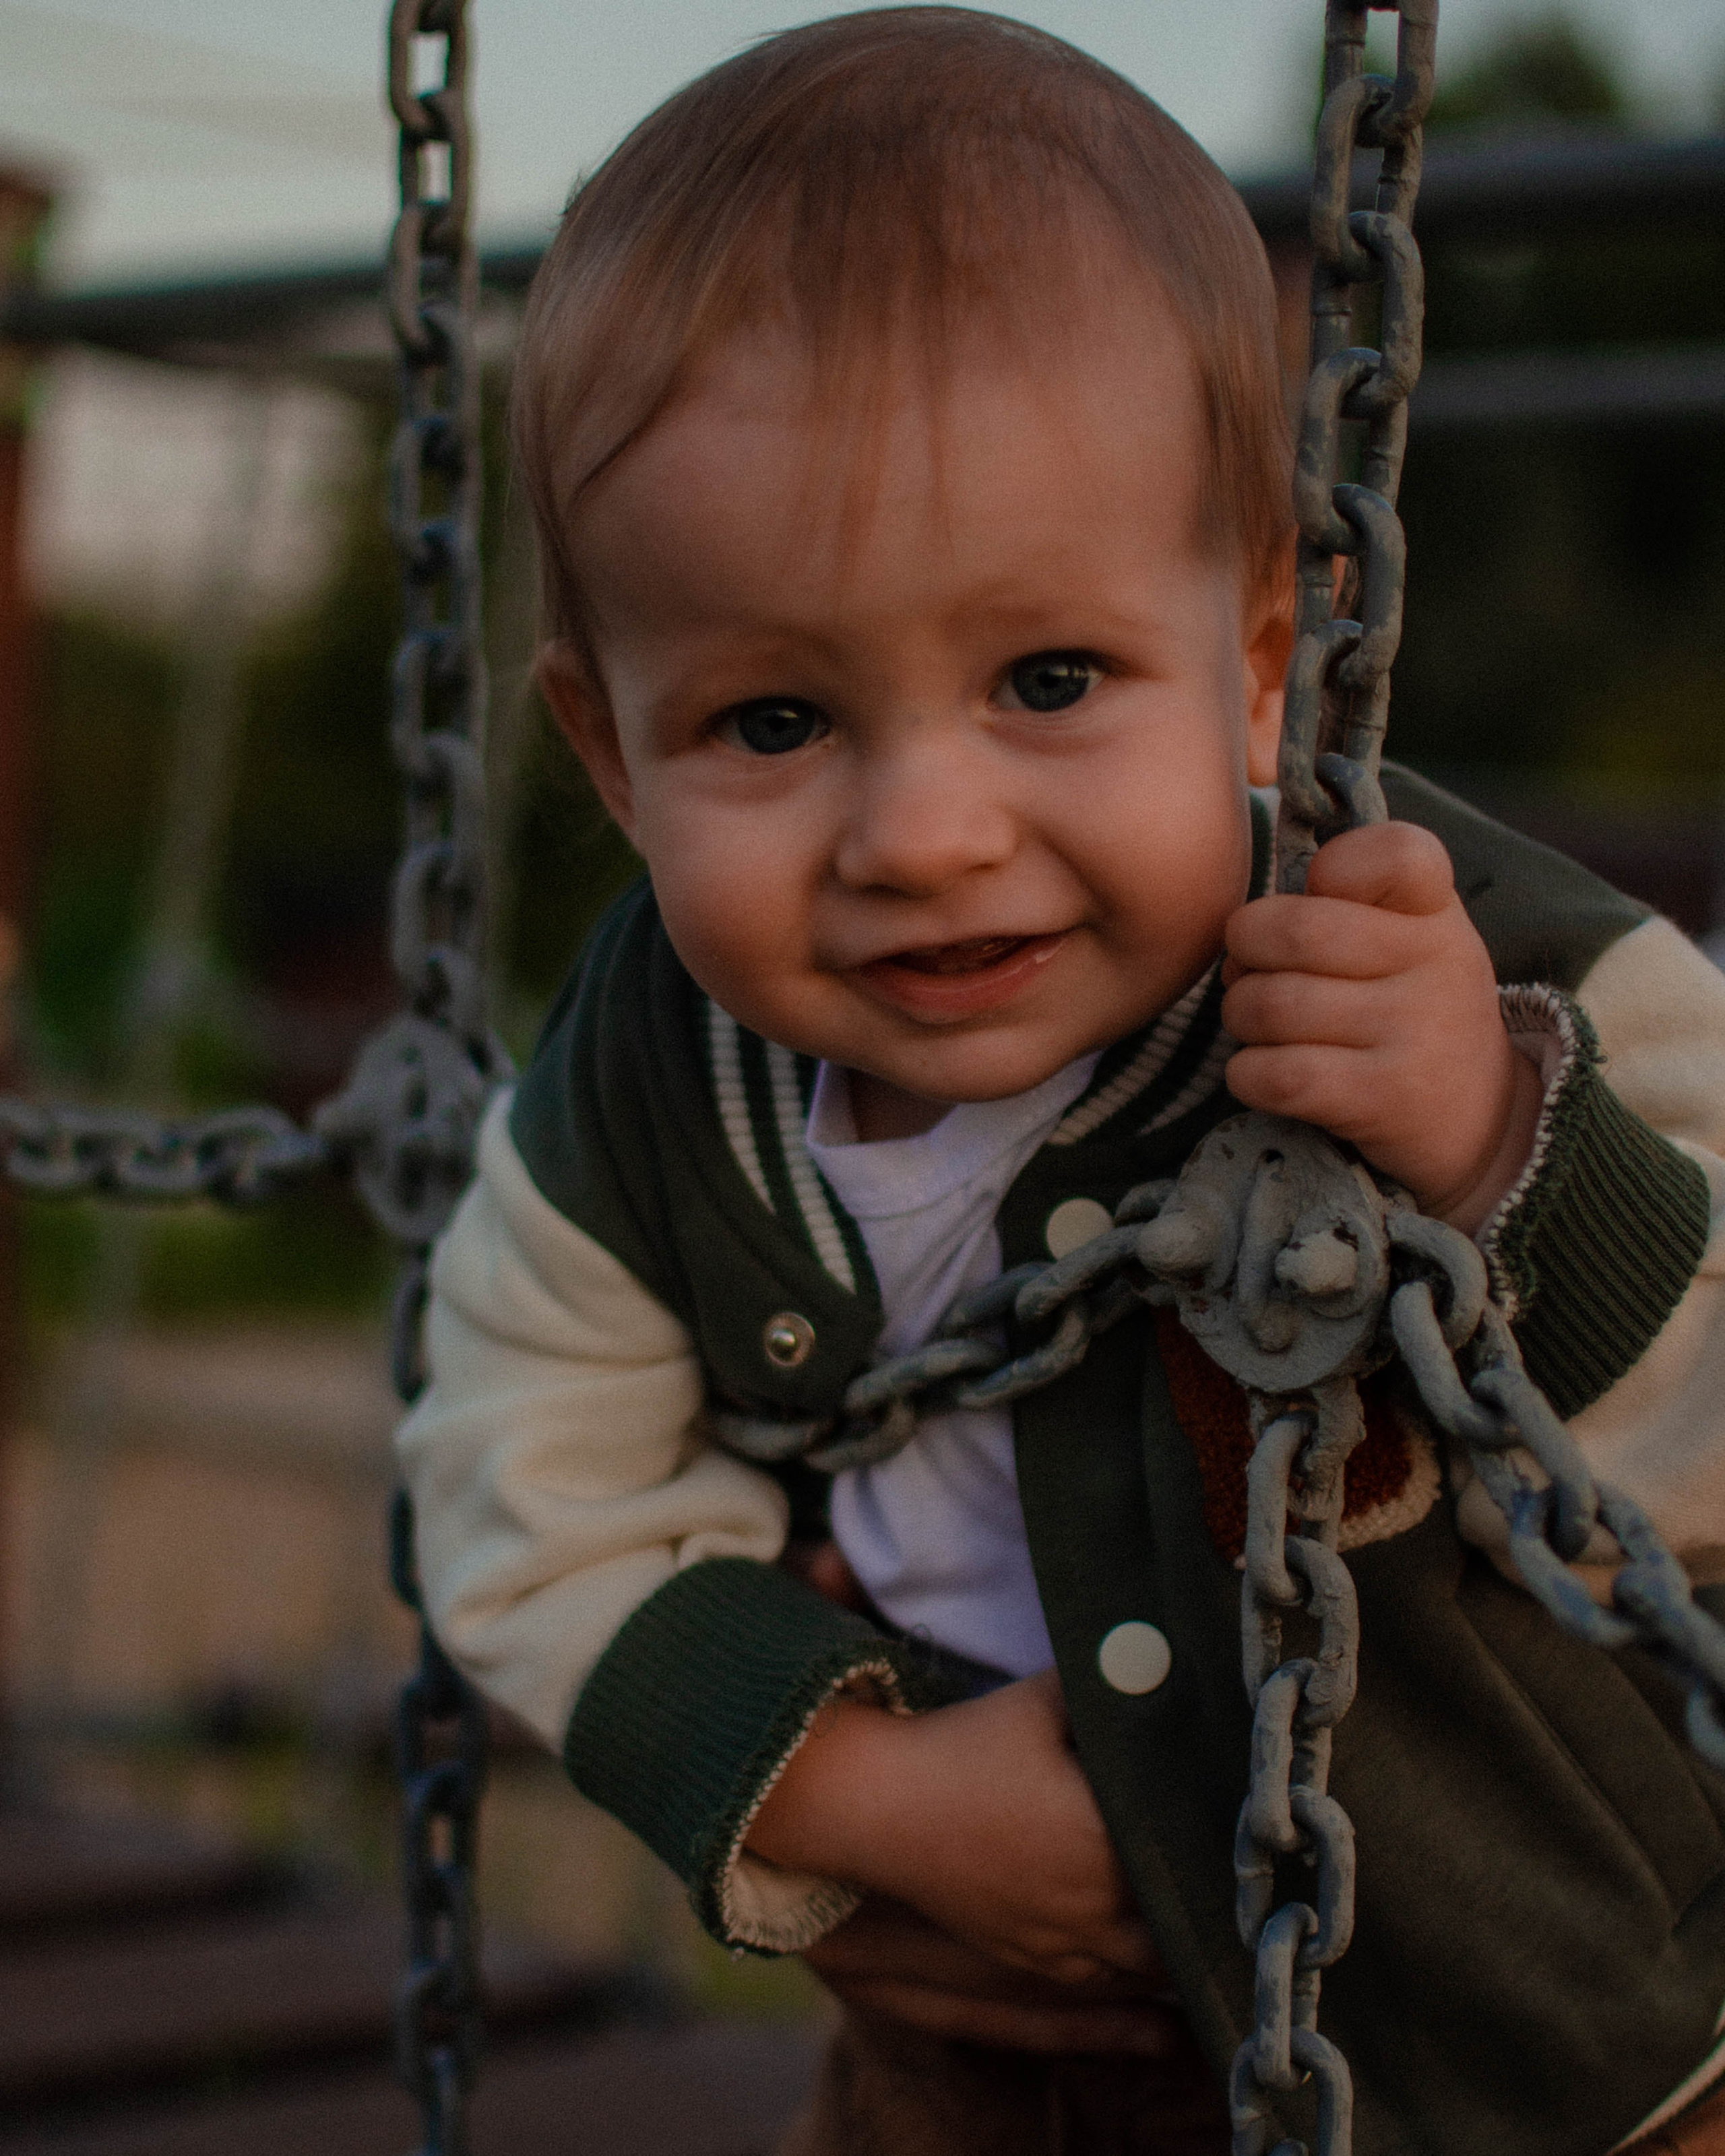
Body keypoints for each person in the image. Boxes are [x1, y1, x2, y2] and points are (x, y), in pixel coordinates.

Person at [396, 12, 1725, 2153]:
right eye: (769, 721)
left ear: (1264, 655)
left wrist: (1492, 1144)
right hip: (979, 2051)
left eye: (1047, 679)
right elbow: (508, 1482)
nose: (923, 833)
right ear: (605, 752)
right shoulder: (642, 1093)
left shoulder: (1456, 952)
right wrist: (863, 1794)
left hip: (1549, 2050)